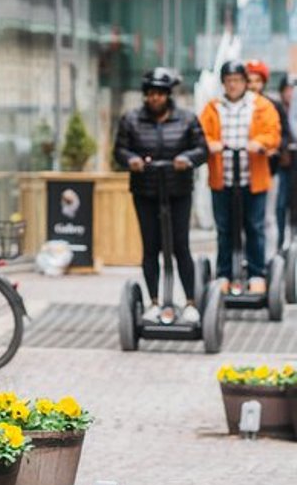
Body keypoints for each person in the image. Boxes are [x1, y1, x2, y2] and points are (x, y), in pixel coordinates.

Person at [113, 67, 209, 323]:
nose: (155, 98)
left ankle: (190, 302)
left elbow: (202, 150)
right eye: (150, 94)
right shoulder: (131, 119)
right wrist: (131, 159)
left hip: (177, 191)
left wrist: (186, 159)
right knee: (150, 247)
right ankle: (154, 302)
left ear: (168, 95)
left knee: (180, 246)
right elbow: (119, 150)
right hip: (146, 191)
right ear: (145, 95)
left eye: (160, 94)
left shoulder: (187, 119)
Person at [198, 60, 281, 294]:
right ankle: (224, 274)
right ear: (223, 83)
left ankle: (256, 274)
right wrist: (209, 144)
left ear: (245, 82)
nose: (233, 85)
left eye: (237, 80)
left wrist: (259, 143)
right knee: (224, 229)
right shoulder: (213, 108)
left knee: (254, 227)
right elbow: (199, 134)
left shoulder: (261, 106)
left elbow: (273, 134)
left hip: (252, 179)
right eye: (228, 81)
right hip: (222, 179)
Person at [245, 60, 291, 253]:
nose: (253, 85)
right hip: (240, 173)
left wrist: (273, 147)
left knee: (267, 218)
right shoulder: (236, 107)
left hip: (268, 171)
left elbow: (285, 136)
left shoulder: (273, 106)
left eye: (257, 80)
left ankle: (270, 260)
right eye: (250, 80)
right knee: (244, 220)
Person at [277, 73, 297, 251]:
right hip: (283, 164)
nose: (290, 93)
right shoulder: (278, 108)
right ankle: (281, 241)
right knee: (280, 202)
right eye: (287, 90)